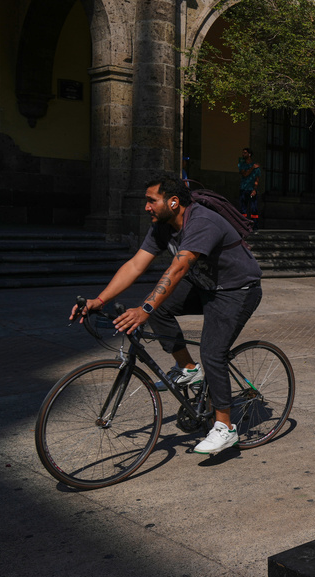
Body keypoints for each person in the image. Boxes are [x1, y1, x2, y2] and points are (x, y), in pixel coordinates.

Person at [69, 174, 263, 454]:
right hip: (204, 284)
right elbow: (136, 265)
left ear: (173, 202)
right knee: (160, 309)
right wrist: (98, 300)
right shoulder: (162, 226)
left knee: (212, 352)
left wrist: (144, 309)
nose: (146, 207)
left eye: (151, 201)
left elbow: (179, 268)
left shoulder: (201, 221)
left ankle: (225, 427)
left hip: (237, 290)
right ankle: (187, 369)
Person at [238, 148, 262, 230]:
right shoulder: (242, 164)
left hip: (251, 190)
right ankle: (242, 225)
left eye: (245, 153)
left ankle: (255, 226)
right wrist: (252, 168)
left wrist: (255, 189)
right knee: (243, 209)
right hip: (243, 189)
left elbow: (257, 179)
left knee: (254, 209)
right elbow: (244, 174)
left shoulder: (256, 167)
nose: (243, 154)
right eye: (243, 152)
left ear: (249, 154)